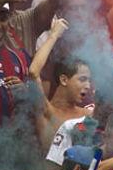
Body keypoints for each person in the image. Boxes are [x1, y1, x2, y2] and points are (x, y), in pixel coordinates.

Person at [28, 17, 93, 151]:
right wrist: (54, 35)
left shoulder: (88, 115)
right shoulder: (46, 111)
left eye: (89, 81)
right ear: (64, 80)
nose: (88, 86)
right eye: (82, 79)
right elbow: (34, 71)